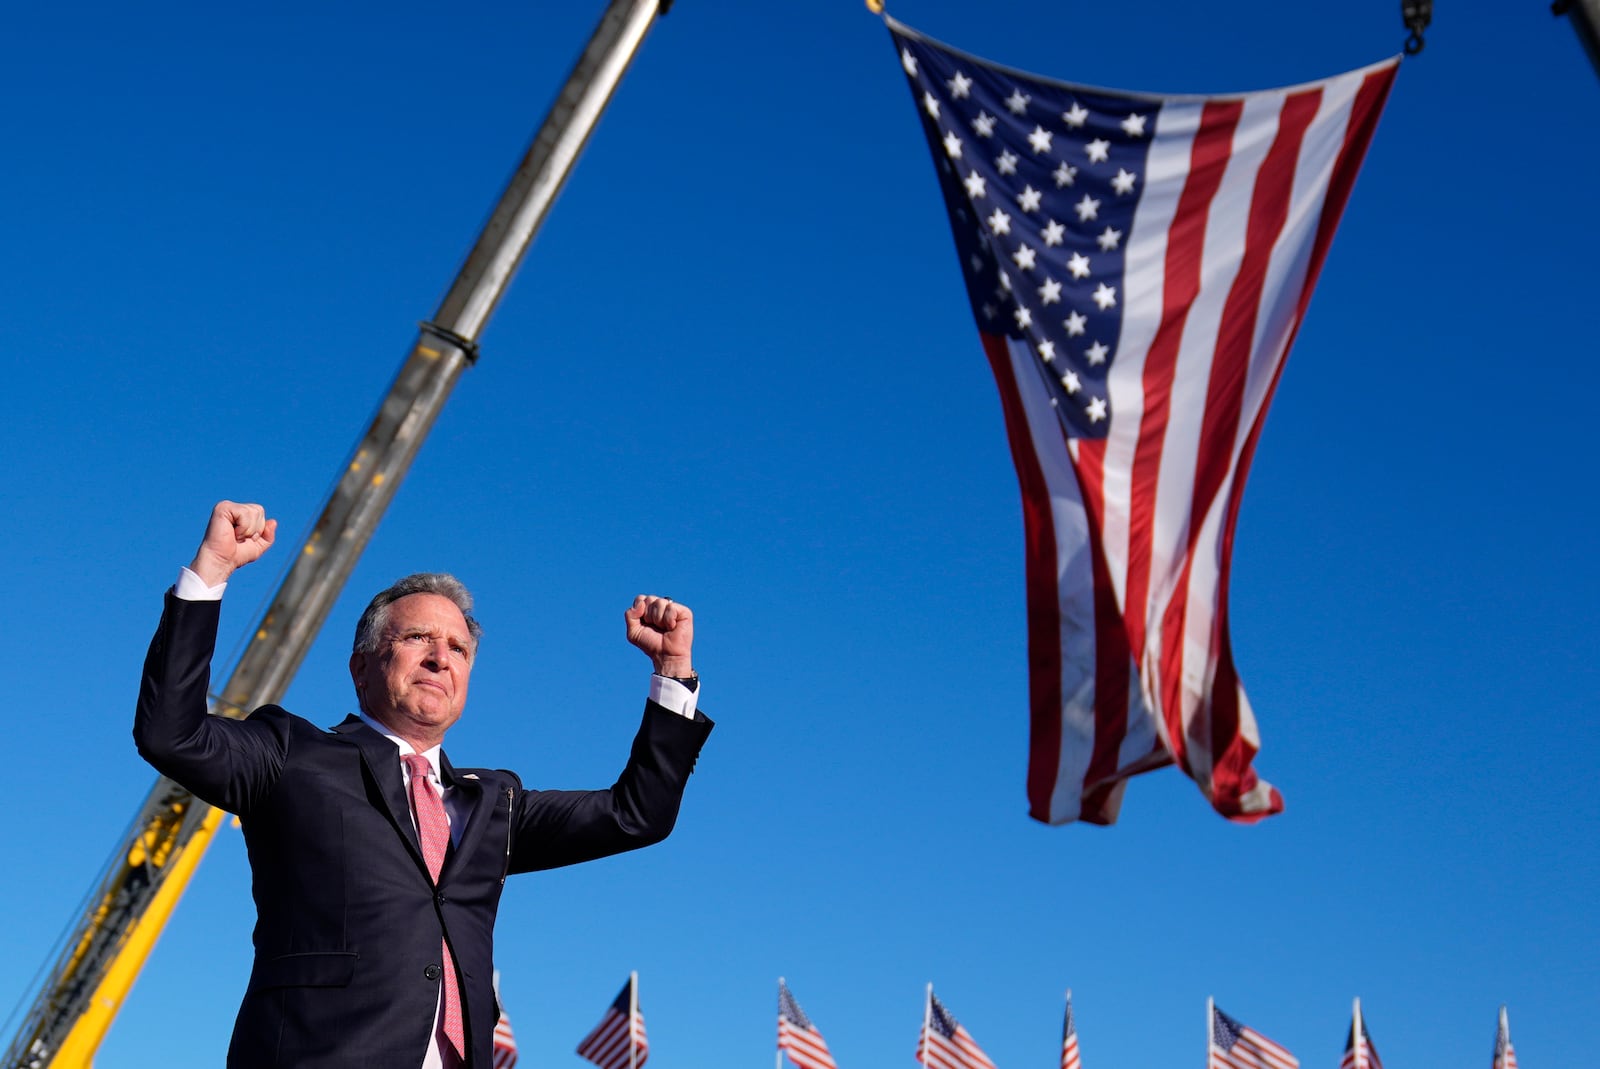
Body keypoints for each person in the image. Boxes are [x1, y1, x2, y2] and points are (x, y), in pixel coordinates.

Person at [134, 500, 713, 1069]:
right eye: (417, 640)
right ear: (361, 666)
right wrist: (211, 570)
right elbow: (171, 734)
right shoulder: (291, 753)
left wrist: (672, 675)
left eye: (458, 649)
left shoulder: (493, 804)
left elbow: (638, 814)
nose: (441, 658)